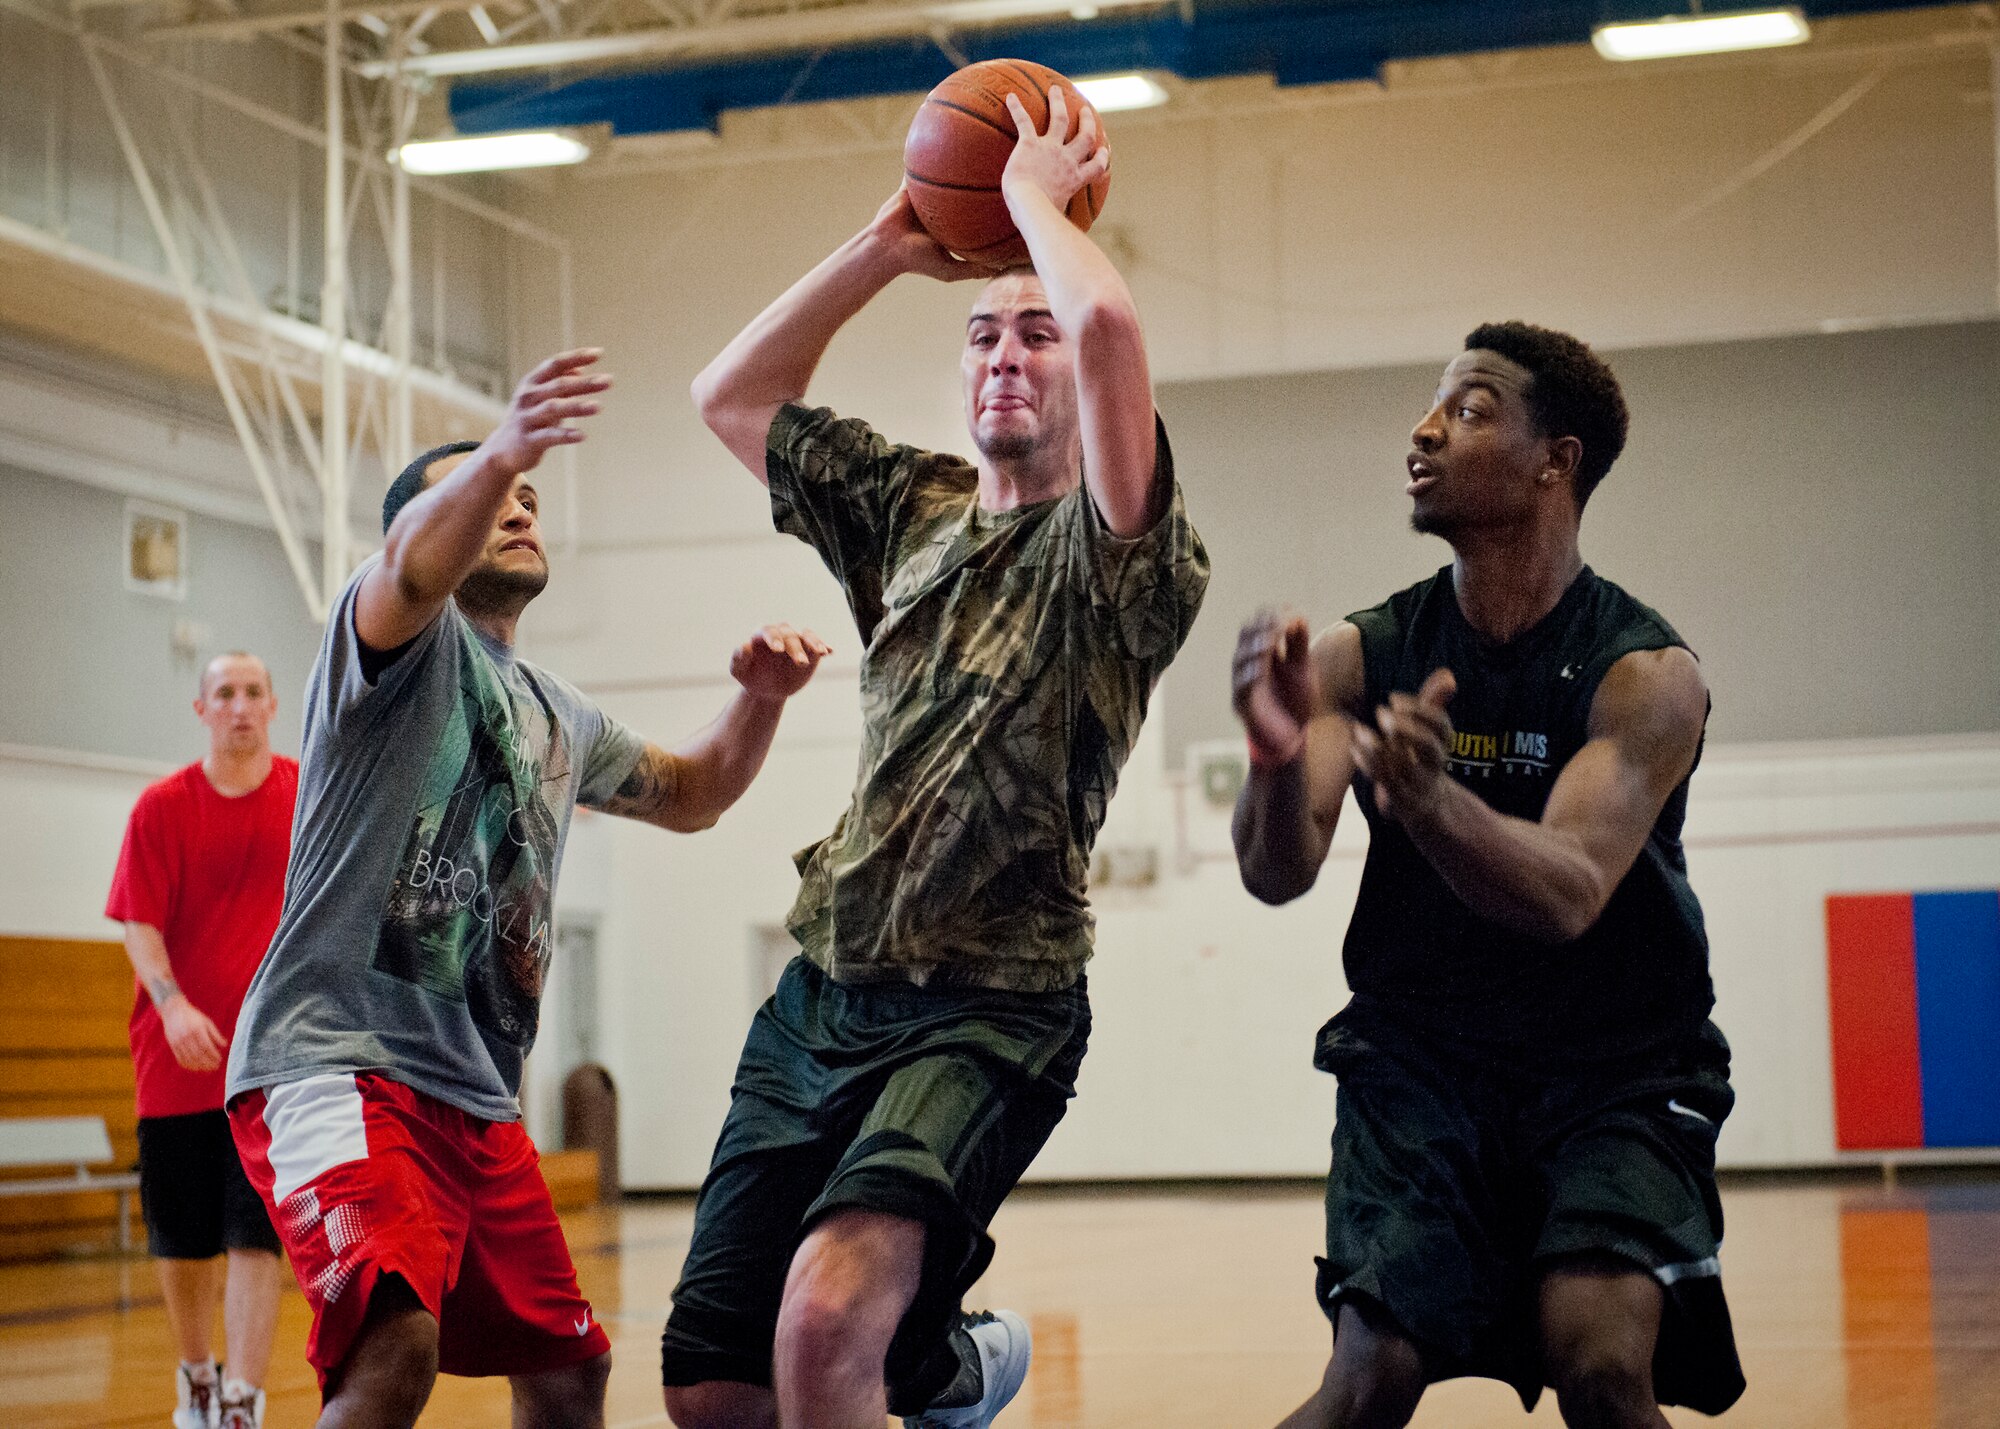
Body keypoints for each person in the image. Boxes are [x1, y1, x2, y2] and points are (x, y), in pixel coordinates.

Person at [665, 89, 1207, 1429]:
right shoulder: (909, 508)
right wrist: (889, 246)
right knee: (712, 1389)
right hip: (825, 992)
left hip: (990, 1005)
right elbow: (727, 395)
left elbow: (1112, 322)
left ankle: (918, 1356)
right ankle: (945, 1370)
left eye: (1033, 334)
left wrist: (1029, 198)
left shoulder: (1123, 552)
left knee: (825, 1319)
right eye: (979, 336)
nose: (1005, 357)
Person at [223, 349, 830, 1429]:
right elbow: (412, 567)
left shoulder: (561, 712)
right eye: (490, 493)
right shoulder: (393, 641)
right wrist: (501, 448)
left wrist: (761, 703)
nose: (518, 505)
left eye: (529, 497)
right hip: (337, 1065)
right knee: (394, 1344)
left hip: (474, 1103)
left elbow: (689, 794)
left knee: (566, 1371)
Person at [1231, 322, 1745, 1429]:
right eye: (1430, 406)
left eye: (1466, 409)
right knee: (1367, 1376)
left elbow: (1565, 892)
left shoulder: (1643, 675)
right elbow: (1277, 874)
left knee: (1601, 1367)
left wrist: (1430, 802)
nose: (1423, 430)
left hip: (1615, 1067)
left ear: (1554, 460)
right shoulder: (1357, 658)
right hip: (1420, 1058)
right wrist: (1272, 757)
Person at [106, 651, 294, 1429]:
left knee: (258, 1237)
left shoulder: (304, 795)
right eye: (225, 693)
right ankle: (197, 1378)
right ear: (202, 710)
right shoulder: (160, 807)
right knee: (184, 1243)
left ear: (273, 705)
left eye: (254, 692)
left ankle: (243, 1402)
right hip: (177, 1061)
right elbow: (138, 923)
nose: (240, 705)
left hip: (274, 1064)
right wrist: (175, 1005)